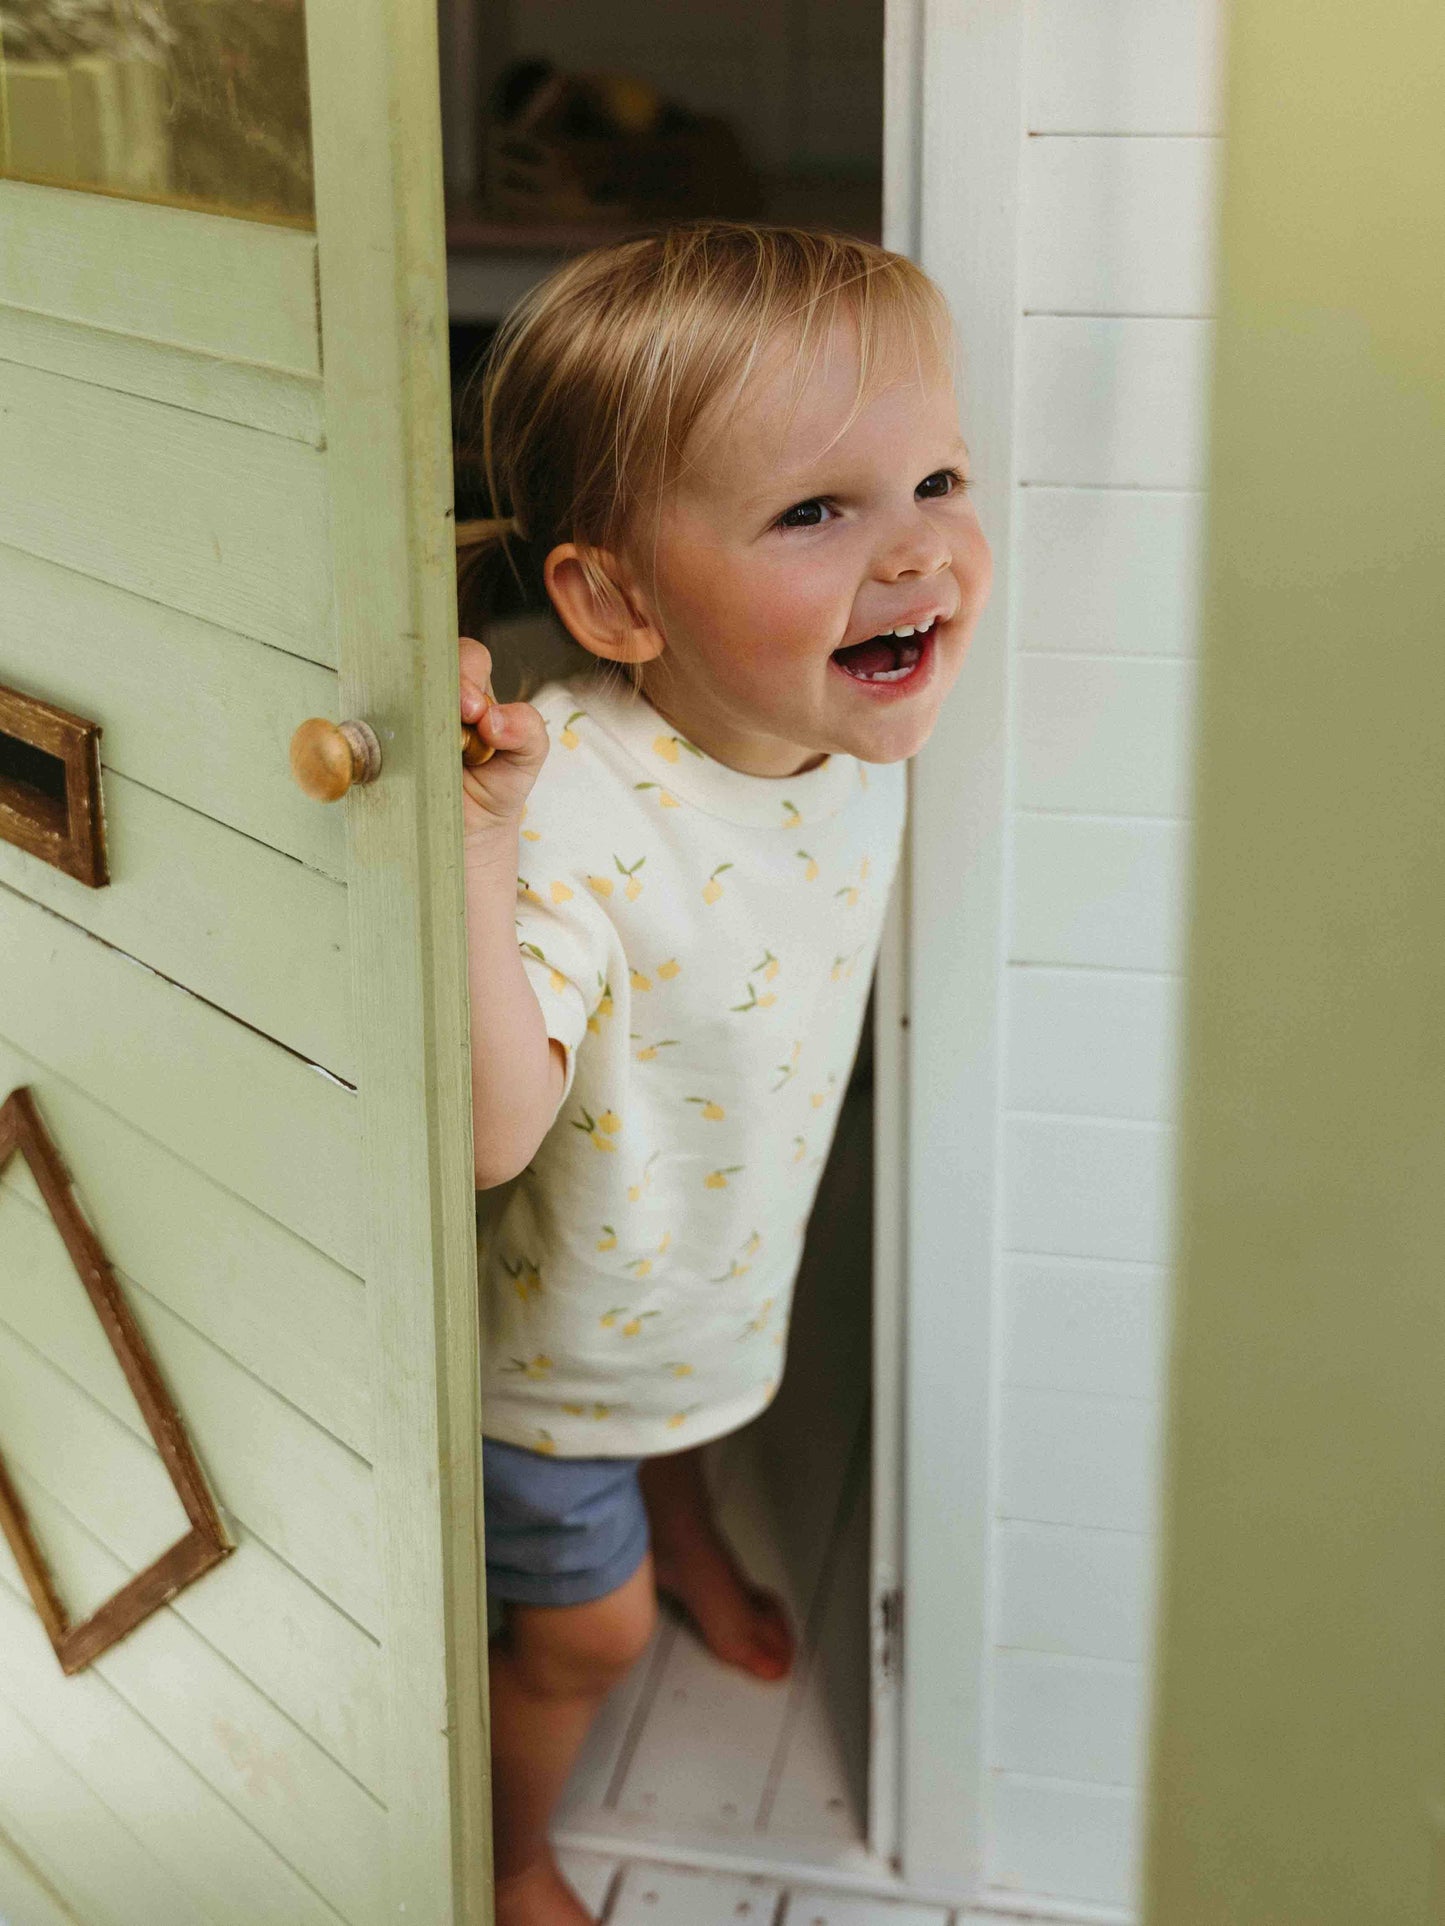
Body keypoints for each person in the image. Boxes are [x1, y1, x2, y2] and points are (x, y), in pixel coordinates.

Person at [455, 221, 992, 1926]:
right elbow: (485, 1131)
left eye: (933, 478)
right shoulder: (582, 818)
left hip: (695, 1263)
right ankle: (510, 1849)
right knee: (577, 1635)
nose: (914, 554)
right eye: (815, 512)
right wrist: (477, 837)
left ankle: (674, 1507)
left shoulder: (835, 715)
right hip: (538, 1347)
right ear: (616, 601)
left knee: (692, 1393)